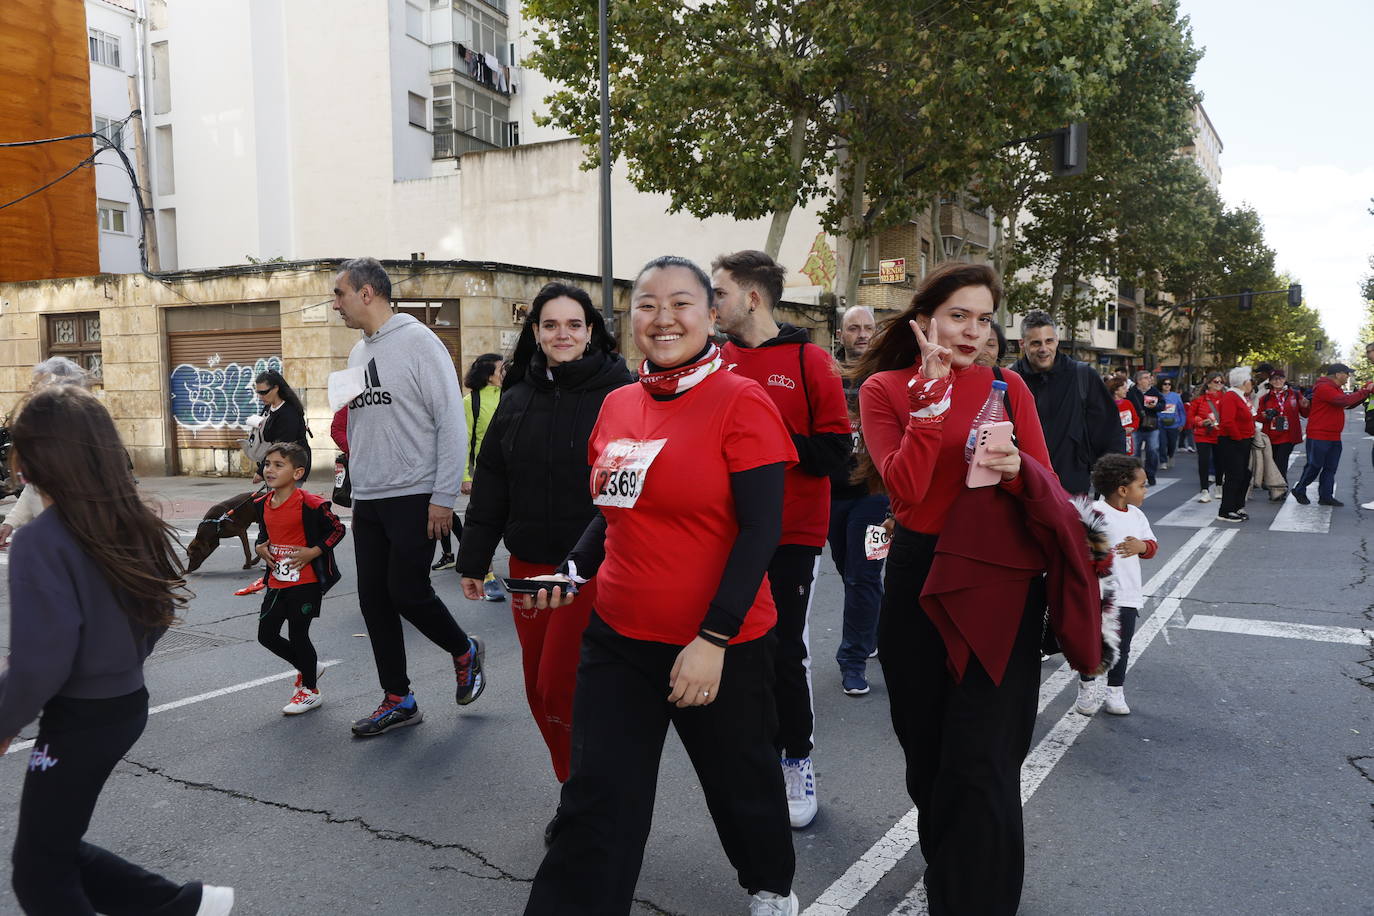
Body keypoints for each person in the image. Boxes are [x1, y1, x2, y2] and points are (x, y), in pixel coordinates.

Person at [521, 256, 800, 916]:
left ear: (711, 315)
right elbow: (614, 509)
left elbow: (762, 532)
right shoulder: (618, 404)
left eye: (681, 303)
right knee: (598, 798)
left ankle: (770, 889)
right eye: (646, 304)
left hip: (721, 642)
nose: (663, 317)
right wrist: (574, 569)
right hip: (618, 637)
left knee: (740, 785)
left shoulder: (742, 401)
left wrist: (712, 638)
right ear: (629, 320)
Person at [857, 262, 1111, 915]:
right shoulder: (885, 389)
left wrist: (1016, 468)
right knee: (930, 761)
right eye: (958, 316)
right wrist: (933, 403)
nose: (972, 331)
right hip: (919, 579)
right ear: (925, 320)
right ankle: (954, 872)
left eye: (982, 317)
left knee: (983, 766)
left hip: (1000, 583)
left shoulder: (1009, 386)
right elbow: (905, 490)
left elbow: (1048, 491)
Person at [1, 385, 235, 915]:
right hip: (124, 707)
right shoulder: (130, 524)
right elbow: (154, 619)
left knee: (40, 876)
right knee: (53, 852)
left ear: (35, 462)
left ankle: (184, 905)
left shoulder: (41, 541)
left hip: (79, 720)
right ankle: (183, 906)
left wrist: (3, 722)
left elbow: (40, 664)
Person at [456, 283, 632, 810]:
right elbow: (492, 483)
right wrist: (474, 557)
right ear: (535, 332)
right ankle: (573, 787)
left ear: (591, 332)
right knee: (537, 688)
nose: (562, 334)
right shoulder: (517, 397)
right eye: (550, 325)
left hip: (591, 568)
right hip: (528, 565)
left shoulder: (620, 394)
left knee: (562, 687)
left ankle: (589, 796)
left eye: (574, 325)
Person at [714, 249, 851, 829]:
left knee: (783, 647)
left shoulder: (809, 358)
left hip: (792, 532)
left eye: (718, 292)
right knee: (734, 646)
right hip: (726, 531)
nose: (710, 301)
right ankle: (756, 754)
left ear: (751, 296)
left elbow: (836, 455)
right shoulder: (714, 359)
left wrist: (768, 434)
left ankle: (797, 757)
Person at [331, 256, 486, 737]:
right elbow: (359, 427)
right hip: (371, 497)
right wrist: (355, 487)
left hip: (416, 493)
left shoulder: (420, 342)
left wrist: (443, 496)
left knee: (408, 592)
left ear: (366, 293)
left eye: (339, 293)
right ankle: (398, 698)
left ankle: (465, 651)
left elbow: (451, 422)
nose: (334, 303)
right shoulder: (359, 353)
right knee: (373, 600)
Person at [253, 442, 346, 716]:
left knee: (298, 634)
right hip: (277, 581)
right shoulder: (262, 503)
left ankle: (309, 690)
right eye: (267, 464)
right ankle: (310, 667)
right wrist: (260, 546)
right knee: (266, 635)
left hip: (305, 582)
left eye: (278, 465)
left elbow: (338, 529)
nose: (270, 469)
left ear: (297, 473)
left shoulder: (310, 503)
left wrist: (313, 552)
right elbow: (264, 532)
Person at [830, 306, 889, 697]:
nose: (862, 334)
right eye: (854, 328)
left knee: (863, 575)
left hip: (876, 494)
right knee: (846, 569)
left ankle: (852, 661)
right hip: (832, 493)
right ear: (840, 334)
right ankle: (872, 632)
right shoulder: (825, 373)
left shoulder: (887, 373)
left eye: (868, 327)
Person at [1074, 454, 1156, 717]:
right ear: (1123, 490)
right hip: (1097, 596)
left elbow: (1151, 545)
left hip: (1128, 595)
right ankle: (1087, 687)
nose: (1145, 489)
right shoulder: (1095, 513)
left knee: (1122, 646)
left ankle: (1115, 692)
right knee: (1093, 644)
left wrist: (1141, 547)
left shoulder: (1137, 516)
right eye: (1141, 485)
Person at [1009, 310, 1125, 495]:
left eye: (1049, 341)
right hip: (1023, 487)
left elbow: (1109, 431)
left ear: (1057, 340)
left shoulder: (1083, 376)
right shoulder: (1010, 380)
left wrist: (1113, 481)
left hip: (1073, 485)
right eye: (1036, 343)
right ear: (1022, 344)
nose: (1043, 349)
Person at [0, 356, 93, 549]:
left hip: (79, 540)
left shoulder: (86, 434)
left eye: (40, 387)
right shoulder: (43, 432)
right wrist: (10, 523)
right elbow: (34, 489)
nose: (34, 393)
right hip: (50, 540)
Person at [432, 353, 504, 578]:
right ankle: (486, 571)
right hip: (486, 472)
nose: (505, 373)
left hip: (514, 470)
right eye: (501, 369)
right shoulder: (470, 402)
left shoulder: (511, 396)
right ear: (489, 375)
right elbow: (461, 441)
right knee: (485, 521)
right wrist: (464, 475)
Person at [1291, 362, 1374, 508]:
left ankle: (1325, 496)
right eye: (1347, 373)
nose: (1348, 376)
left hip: (1333, 435)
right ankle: (1299, 489)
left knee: (1331, 467)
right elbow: (1342, 401)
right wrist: (1365, 391)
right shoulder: (1324, 387)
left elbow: (1347, 404)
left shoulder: (1335, 388)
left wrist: (1364, 392)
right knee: (1314, 465)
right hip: (1319, 434)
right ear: (1338, 374)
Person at [251, 369, 311, 481]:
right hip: (277, 463)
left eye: (264, 392)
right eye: (258, 393)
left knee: (286, 498)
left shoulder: (289, 413)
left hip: (292, 465)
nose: (260, 396)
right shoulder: (269, 408)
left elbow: (283, 445)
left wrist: (261, 472)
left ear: (276, 388)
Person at [1216, 367, 1257, 522]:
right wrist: (1238, 438)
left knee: (1243, 474)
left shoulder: (1241, 396)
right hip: (1233, 441)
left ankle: (1237, 506)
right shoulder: (1231, 397)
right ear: (1243, 382)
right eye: (1249, 381)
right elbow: (1227, 421)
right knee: (1234, 475)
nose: (1251, 383)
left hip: (1243, 440)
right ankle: (1226, 510)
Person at [1187, 373, 1225, 503]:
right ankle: (1204, 490)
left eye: (1221, 382)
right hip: (1203, 434)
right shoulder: (1199, 399)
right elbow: (1190, 417)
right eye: (1216, 381)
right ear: (1209, 383)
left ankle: (1219, 486)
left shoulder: (1226, 399)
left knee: (1220, 461)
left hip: (1220, 434)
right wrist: (1201, 422)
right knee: (1203, 462)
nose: (1219, 384)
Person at [1125, 370, 1163, 484]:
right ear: (1139, 380)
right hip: (1136, 427)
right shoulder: (1131, 392)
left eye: (1149, 377)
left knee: (1152, 450)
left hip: (1151, 426)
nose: (1149, 379)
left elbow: (1163, 405)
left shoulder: (1154, 391)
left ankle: (1150, 474)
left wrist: (1155, 406)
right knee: (1134, 453)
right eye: (1146, 378)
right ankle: (1135, 476)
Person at [1157, 377, 1186, 466]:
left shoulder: (1176, 396)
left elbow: (1181, 410)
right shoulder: (1157, 395)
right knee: (1162, 443)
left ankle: (1170, 456)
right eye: (1165, 384)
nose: (1167, 386)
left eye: (1169, 384)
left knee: (1172, 443)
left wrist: (1182, 423)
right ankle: (1163, 461)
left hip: (1173, 424)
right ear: (1161, 385)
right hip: (1160, 424)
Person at [1108, 376, 1139, 456]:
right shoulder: (1107, 405)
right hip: (1113, 441)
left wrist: (1132, 427)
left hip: (1128, 439)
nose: (1127, 390)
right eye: (1124, 388)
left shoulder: (1128, 403)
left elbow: (1136, 419)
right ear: (1116, 390)